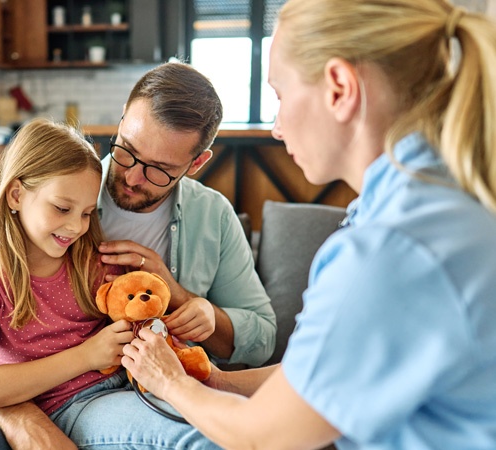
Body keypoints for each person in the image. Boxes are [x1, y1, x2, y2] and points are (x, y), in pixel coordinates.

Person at [122, 1, 496, 449]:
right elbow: (328, 368)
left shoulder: (389, 250)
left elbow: (263, 439)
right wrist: (217, 381)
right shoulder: (436, 201)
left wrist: (169, 382)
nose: (277, 127)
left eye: (279, 95)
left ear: (339, 88)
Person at [0, 62, 276, 448]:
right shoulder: (69, 186)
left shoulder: (212, 217)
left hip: (122, 390)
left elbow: (263, 338)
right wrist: (20, 415)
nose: (131, 177)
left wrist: (185, 300)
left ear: (196, 164)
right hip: (48, 395)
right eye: (127, 151)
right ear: (121, 123)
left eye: (159, 170)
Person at [0, 118, 139, 450]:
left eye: (86, 213)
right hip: (14, 406)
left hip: (95, 399)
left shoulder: (93, 263)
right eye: (62, 208)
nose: (75, 226)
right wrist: (86, 356)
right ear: (15, 195)